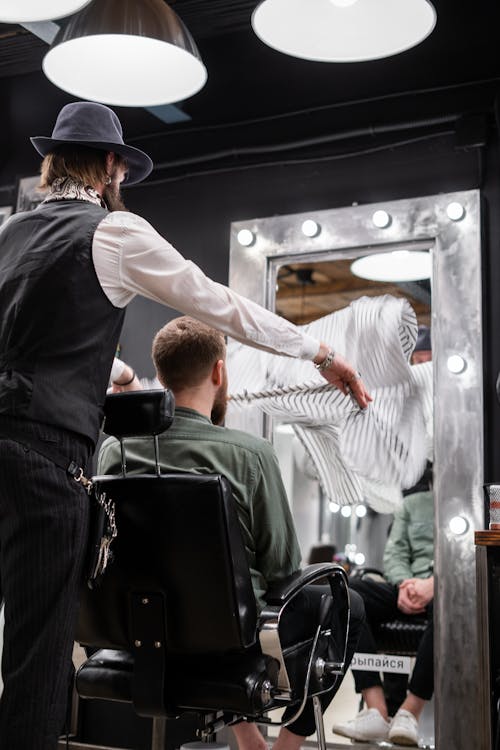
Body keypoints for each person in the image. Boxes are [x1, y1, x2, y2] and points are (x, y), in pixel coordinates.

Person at [0, 100, 370, 750]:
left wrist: (108, 369)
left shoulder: (8, 233)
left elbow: (24, 335)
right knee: (36, 665)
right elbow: (220, 305)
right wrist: (322, 353)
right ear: (111, 167)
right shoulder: (112, 233)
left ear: (50, 161)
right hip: (43, 462)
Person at [99, 316, 365, 750]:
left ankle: (249, 739)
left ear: (161, 373)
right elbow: (281, 566)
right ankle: (285, 746)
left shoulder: (115, 452)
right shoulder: (250, 454)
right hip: (231, 644)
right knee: (347, 602)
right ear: (219, 372)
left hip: (138, 630)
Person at [332, 487, 434, 746]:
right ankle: (376, 709)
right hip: (408, 585)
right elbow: (395, 553)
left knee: (450, 606)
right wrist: (404, 585)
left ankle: (410, 711)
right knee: (349, 591)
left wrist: (435, 585)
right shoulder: (411, 505)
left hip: (448, 588)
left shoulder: (476, 502)